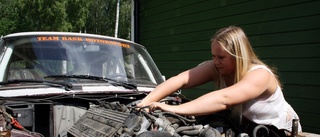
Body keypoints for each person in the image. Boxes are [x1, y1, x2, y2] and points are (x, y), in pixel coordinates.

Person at [137, 26, 302, 135]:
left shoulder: (260, 76)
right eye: (213, 56)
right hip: (247, 128)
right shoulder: (216, 68)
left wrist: (170, 108)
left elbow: (223, 99)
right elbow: (181, 80)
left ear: (239, 56)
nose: (216, 61)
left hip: (279, 131)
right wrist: (146, 102)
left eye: (221, 57)